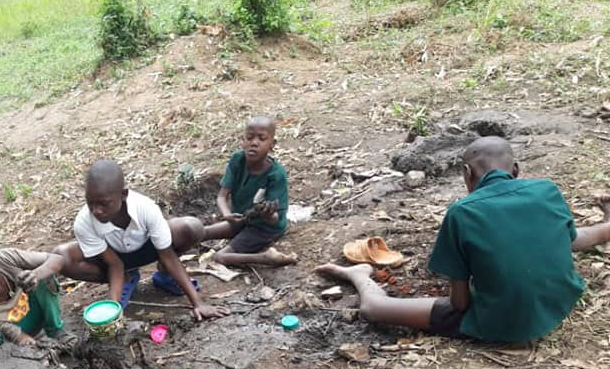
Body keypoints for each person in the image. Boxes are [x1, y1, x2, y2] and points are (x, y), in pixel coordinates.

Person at [315, 136, 610, 342]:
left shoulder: (462, 212)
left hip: (503, 323)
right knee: (568, 237)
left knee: (374, 310)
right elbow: (569, 240)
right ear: (516, 170)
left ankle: (359, 275)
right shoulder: (547, 190)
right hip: (560, 303)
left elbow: (458, 303)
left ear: (466, 173)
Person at [54, 160, 229, 320]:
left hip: (149, 250)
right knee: (62, 257)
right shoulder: (84, 222)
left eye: (103, 204)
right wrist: (113, 309)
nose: (96, 210)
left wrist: (198, 303)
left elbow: (167, 254)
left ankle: (165, 276)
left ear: (123, 195)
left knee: (191, 227)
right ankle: (127, 279)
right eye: (90, 203)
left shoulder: (145, 208)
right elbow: (115, 264)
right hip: (116, 258)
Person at [202, 116, 297, 267]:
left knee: (221, 256)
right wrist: (227, 215)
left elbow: (275, 219)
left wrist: (267, 214)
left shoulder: (276, 175)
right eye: (249, 137)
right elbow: (222, 196)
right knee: (202, 233)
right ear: (243, 140)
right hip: (241, 219)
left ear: (272, 144)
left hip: (264, 228)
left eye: (262, 138)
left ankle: (266, 257)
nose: (254, 143)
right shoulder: (237, 159)